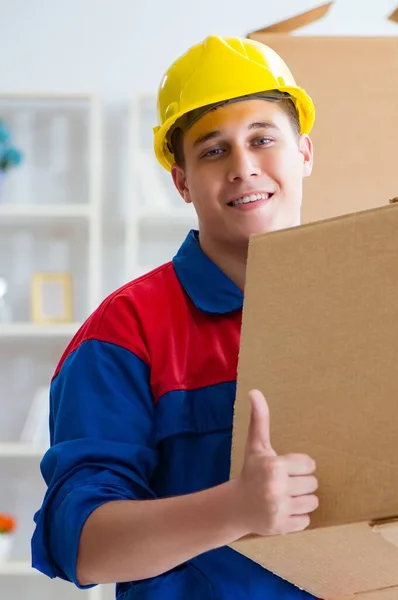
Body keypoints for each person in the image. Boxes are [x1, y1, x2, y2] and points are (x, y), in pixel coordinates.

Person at [31, 35, 320, 599]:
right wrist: (234, 508)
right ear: (182, 181)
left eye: (263, 140)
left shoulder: (371, 302)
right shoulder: (125, 332)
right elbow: (80, 546)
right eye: (214, 151)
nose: (243, 168)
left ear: (305, 152)